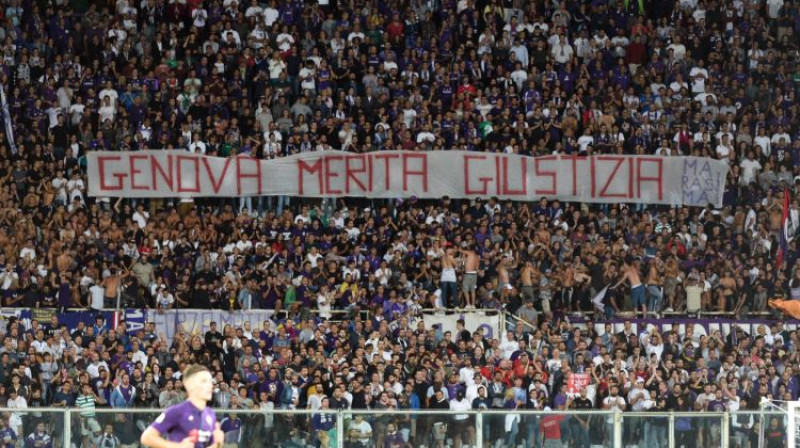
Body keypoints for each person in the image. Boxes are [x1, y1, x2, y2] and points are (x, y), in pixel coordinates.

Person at [140, 365, 225, 448]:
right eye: (203, 381)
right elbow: (147, 437)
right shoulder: (176, 412)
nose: (210, 385)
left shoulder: (210, 413)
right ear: (190, 385)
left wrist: (217, 444)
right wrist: (177, 446)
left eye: (210, 381)